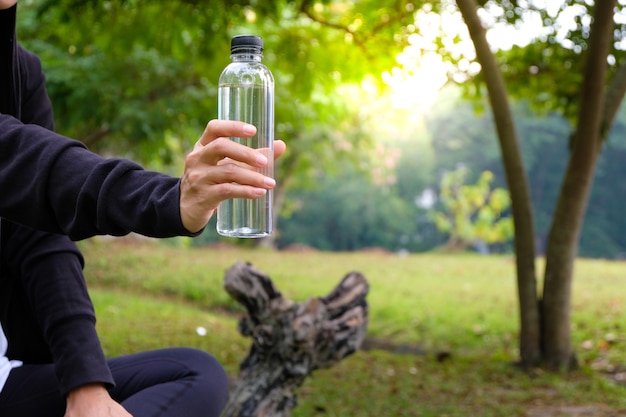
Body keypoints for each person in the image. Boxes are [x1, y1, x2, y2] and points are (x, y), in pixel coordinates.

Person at [0, 1, 287, 416]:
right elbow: (29, 161)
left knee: (196, 374)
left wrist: (85, 384)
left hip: (7, 379)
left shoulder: (22, 72)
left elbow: (38, 235)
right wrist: (168, 200)